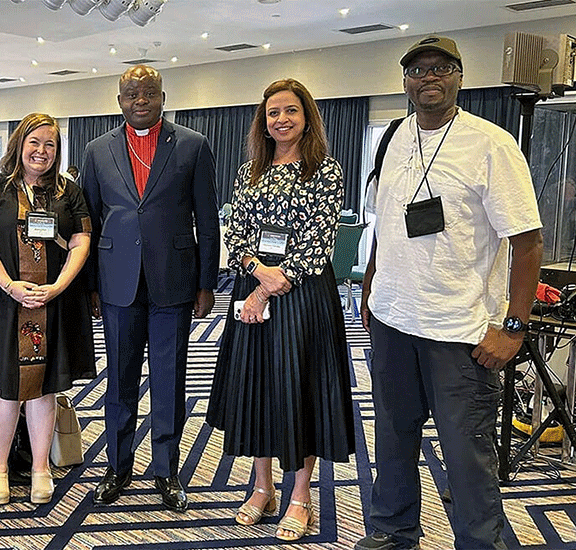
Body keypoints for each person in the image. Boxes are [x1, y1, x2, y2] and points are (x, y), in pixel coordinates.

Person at [356, 35, 542, 550]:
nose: (428, 77)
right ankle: (393, 531)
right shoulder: (393, 136)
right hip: (393, 322)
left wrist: (514, 327)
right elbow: (385, 223)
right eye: (417, 70)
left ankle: (481, 543)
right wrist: (372, 290)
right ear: (405, 82)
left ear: (460, 76)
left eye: (441, 68)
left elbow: (527, 243)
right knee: (393, 439)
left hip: (460, 331)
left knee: (466, 454)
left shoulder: (491, 144)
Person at [206, 79, 354, 540]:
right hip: (253, 288)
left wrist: (268, 287)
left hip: (303, 295)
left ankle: (299, 495)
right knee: (258, 389)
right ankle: (261, 486)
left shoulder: (325, 170)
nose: (281, 120)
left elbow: (318, 243)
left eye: (291, 111)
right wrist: (255, 272)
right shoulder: (248, 171)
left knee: (299, 390)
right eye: (273, 113)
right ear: (263, 122)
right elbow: (235, 235)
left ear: (306, 117)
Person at [81, 65, 219, 512]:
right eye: (131, 94)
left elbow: (208, 218)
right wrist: (90, 286)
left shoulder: (193, 145)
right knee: (119, 381)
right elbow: (88, 220)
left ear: (163, 96)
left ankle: (167, 470)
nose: (140, 100)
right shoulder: (97, 149)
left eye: (149, 93)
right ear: (118, 100)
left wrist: (206, 283)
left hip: (173, 282)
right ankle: (117, 468)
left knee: (169, 380)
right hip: (117, 281)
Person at [0, 112, 95, 506]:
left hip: (52, 302)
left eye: (50, 144)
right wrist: (9, 285)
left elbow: (81, 241)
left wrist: (58, 285)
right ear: (19, 144)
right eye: (34, 142)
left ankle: (41, 467)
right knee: (5, 391)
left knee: (44, 390)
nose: (41, 151)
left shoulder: (68, 192)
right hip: (4, 303)